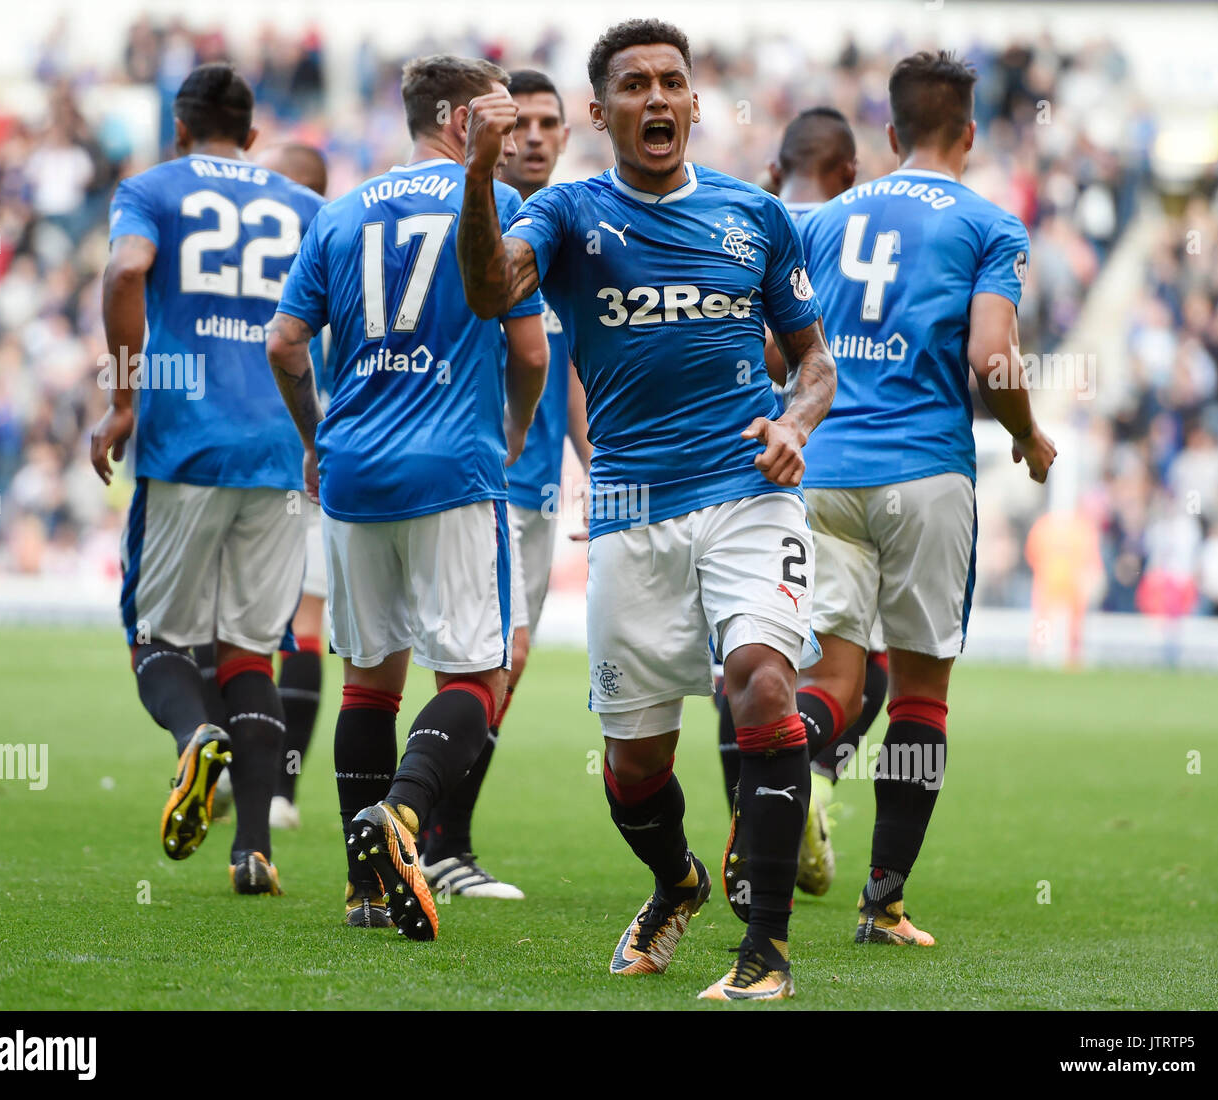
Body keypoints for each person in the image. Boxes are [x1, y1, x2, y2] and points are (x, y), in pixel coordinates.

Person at [457, 18, 837, 1000]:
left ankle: (765, 952)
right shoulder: (573, 215)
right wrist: (477, 175)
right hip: (630, 510)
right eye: (634, 85)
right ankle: (676, 881)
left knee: (759, 679)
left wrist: (795, 420)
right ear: (601, 110)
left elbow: (813, 359)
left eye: (672, 82)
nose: (657, 98)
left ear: (695, 103)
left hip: (751, 493)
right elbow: (489, 284)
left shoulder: (755, 216)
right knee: (631, 767)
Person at [266, 56, 548, 937]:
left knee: (368, 683)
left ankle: (362, 891)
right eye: (499, 115)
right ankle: (405, 815)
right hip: (452, 466)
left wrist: (316, 439)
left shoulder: (341, 211)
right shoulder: (498, 207)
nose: (512, 133)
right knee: (475, 672)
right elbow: (533, 354)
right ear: (462, 119)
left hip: (352, 471)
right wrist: (511, 428)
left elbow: (283, 344)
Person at [794, 52, 1056, 945]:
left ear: (892, 135)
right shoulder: (990, 224)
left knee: (831, 680)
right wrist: (1025, 431)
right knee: (918, 697)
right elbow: (991, 357)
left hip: (824, 470)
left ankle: (796, 786)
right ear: (971, 136)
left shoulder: (827, 221)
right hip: (923, 469)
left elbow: (779, 344)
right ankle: (883, 902)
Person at [91, 63, 325, 894]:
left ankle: (194, 737)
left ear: (180, 129)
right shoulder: (305, 207)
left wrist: (122, 401)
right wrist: (317, 430)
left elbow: (125, 273)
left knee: (155, 639)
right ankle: (253, 846)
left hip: (186, 442)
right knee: (250, 651)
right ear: (253, 135)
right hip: (276, 447)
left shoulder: (152, 187)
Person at [418, 69, 593, 900]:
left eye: (547, 123)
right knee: (488, 661)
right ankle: (430, 836)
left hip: (530, 490)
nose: (531, 136)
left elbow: (572, 369)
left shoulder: (567, 229)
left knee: (497, 667)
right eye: (516, 121)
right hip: (475, 479)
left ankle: (423, 833)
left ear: (567, 134)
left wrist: (603, 473)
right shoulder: (469, 218)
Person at [717, 105, 888, 899]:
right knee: (868, 675)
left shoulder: (758, 223)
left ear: (778, 167)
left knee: (750, 660)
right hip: (871, 461)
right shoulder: (877, 224)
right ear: (850, 169)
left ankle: (753, 818)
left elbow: (751, 351)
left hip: (770, 467)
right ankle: (803, 786)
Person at [196, 142, 332, 830]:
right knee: (300, 630)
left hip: (265, 459)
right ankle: (276, 792)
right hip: (315, 460)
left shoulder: (253, 263)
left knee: (231, 625)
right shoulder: (342, 248)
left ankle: (225, 758)